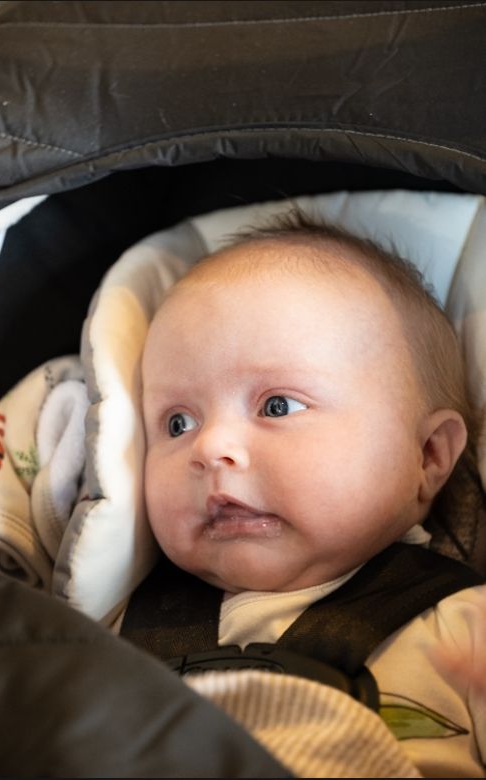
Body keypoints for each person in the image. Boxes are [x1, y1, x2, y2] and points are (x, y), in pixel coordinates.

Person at [139, 211, 486, 777]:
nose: (210, 447)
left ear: (427, 455)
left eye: (277, 406)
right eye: (177, 422)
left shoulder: (466, 625)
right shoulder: (102, 621)